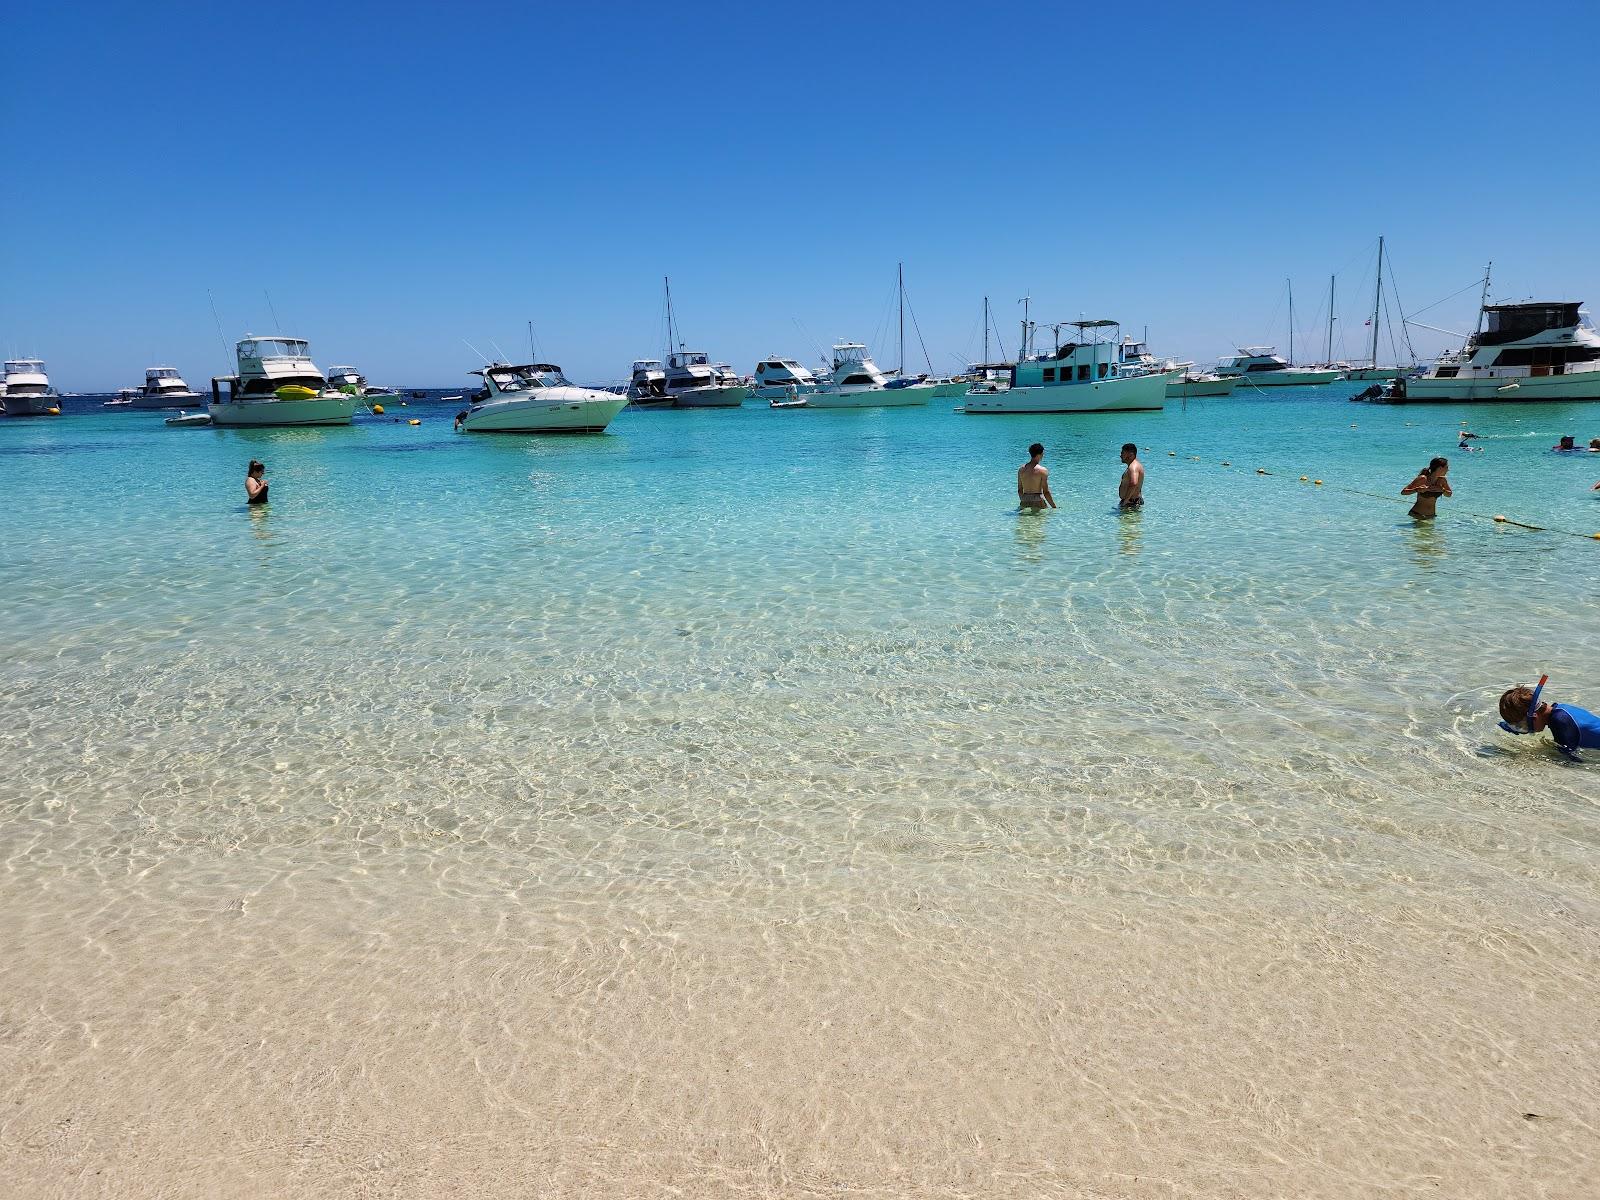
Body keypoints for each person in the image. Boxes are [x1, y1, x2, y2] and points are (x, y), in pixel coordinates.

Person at [1499, 681, 1600, 761]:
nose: (1527, 731)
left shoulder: (1559, 722)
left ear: (1534, 717)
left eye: (1522, 726)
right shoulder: (1560, 710)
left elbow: (1571, 760)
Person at [1017, 443, 1056, 511]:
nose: (1043, 455)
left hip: (1024, 500)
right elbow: (1046, 492)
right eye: (1042, 454)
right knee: (1040, 521)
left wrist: (1024, 500)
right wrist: (1054, 507)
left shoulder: (1021, 470)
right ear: (1039, 455)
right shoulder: (1042, 471)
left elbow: (1020, 490)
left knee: (1024, 521)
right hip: (1038, 500)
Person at [1118, 442, 1145, 509]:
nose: (1120, 455)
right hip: (1133, 501)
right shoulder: (1135, 465)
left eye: (1122, 453)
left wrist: (1126, 501)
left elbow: (1134, 483)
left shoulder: (1133, 467)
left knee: (1127, 520)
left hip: (1130, 503)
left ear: (1130, 454)